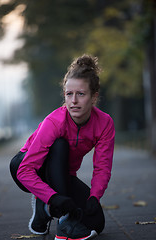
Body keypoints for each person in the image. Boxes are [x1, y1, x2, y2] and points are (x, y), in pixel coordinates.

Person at [10, 54, 115, 240]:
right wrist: (54, 198)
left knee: (97, 222)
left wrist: (94, 197)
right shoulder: (55, 121)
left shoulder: (105, 123)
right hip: (25, 166)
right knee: (60, 145)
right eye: (69, 94)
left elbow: (102, 168)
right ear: (65, 95)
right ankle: (61, 217)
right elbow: (25, 171)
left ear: (94, 97)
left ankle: (44, 210)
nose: (73, 101)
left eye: (81, 94)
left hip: (61, 174)